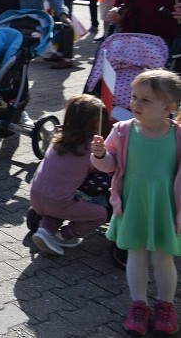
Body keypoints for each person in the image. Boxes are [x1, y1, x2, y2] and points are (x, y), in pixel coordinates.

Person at [90, 69, 181, 336]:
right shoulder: (122, 130)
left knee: (163, 259)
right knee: (136, 256)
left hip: (165, 207)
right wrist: (100, 154)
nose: (135, 104)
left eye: (145, 100)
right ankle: (138, 305)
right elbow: (109, 166)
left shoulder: (178, 136)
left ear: (169, 107)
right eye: (134, 97)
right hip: (133, 203)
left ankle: (165, 306)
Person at [29, 94, 110, 256]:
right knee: (101, 214)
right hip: (58, 203)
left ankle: (45, 230)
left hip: (35, 197)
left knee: (64, 197)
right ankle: (64, 236)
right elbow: (104, 169)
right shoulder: (90, 149)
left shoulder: (57, 139)